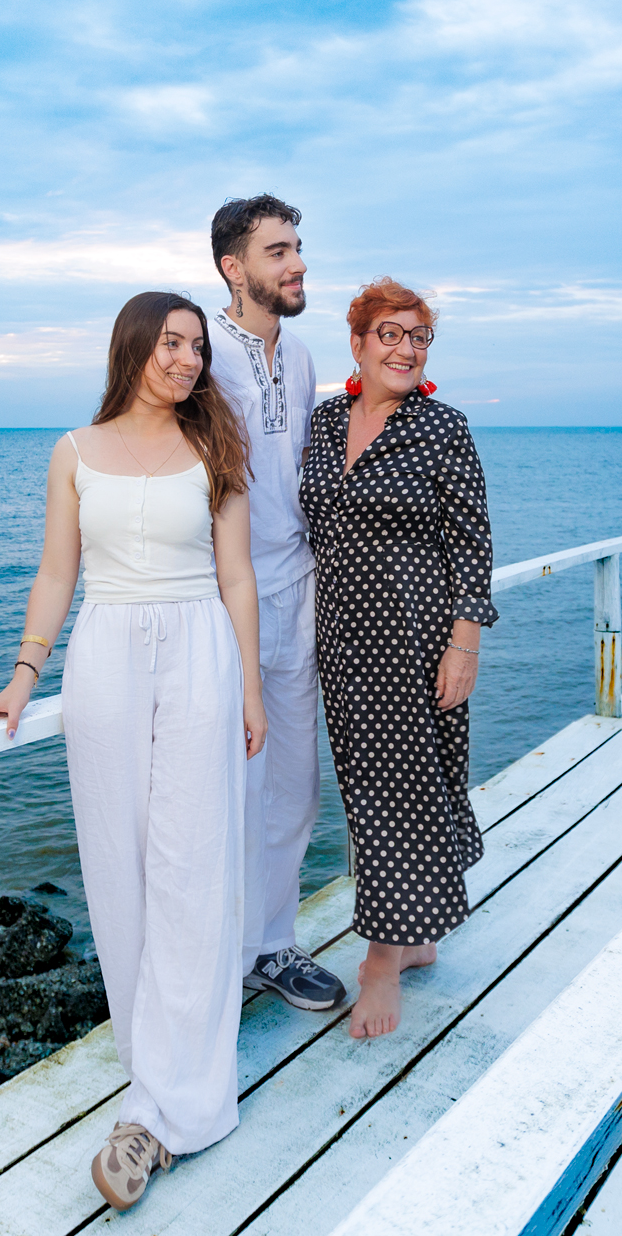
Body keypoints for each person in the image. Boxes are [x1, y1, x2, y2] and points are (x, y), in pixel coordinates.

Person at [0, 292, 268, 1210]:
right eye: (172, 342)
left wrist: (250, 685)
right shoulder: (74, 452)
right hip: (103, 659)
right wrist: (23, 675)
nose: (186, 360)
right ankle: (152, 1065)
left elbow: (237, 574)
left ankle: (168, 1113)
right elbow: (59, 571)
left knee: (193, 869)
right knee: (120, 868)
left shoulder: (216, 446)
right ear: (133, 344)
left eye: (197, 348)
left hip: (201, 653)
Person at [298, 278, 497, 1040]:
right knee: (368, 788)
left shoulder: (443, 429)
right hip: (342, 640)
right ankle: (415, 936)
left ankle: (382, 955)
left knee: (407, 792)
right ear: (357, 343)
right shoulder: (322, 424)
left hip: (414, 639)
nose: (407, 348)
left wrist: (464, 642)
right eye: (392, 333)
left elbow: (473, 543)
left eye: (419, 337)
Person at [206, 195, 349, 1014]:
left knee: (294, 784)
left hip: (298, 592)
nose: (297, 265)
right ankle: (214, 965)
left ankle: (272, 946)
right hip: (220, 599)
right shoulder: (201, 351)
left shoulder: (298, 357)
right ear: (235, 266)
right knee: (225, 786)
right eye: (279, 251)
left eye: (298, 249)